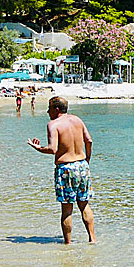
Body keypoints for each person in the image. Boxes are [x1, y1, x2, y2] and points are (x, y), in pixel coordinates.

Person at [27, 96, 96, 244]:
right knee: (84, 204)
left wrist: (38, 148)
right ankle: (92, 239)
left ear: (56, 109)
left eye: (49, 108)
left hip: (66, 168)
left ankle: (68, 244)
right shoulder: (77, 120)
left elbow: (53, 149)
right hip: (82, 165)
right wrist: (87, 159)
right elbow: (89, 140)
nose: (47, 111)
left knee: (67, 209)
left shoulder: (53, 124)